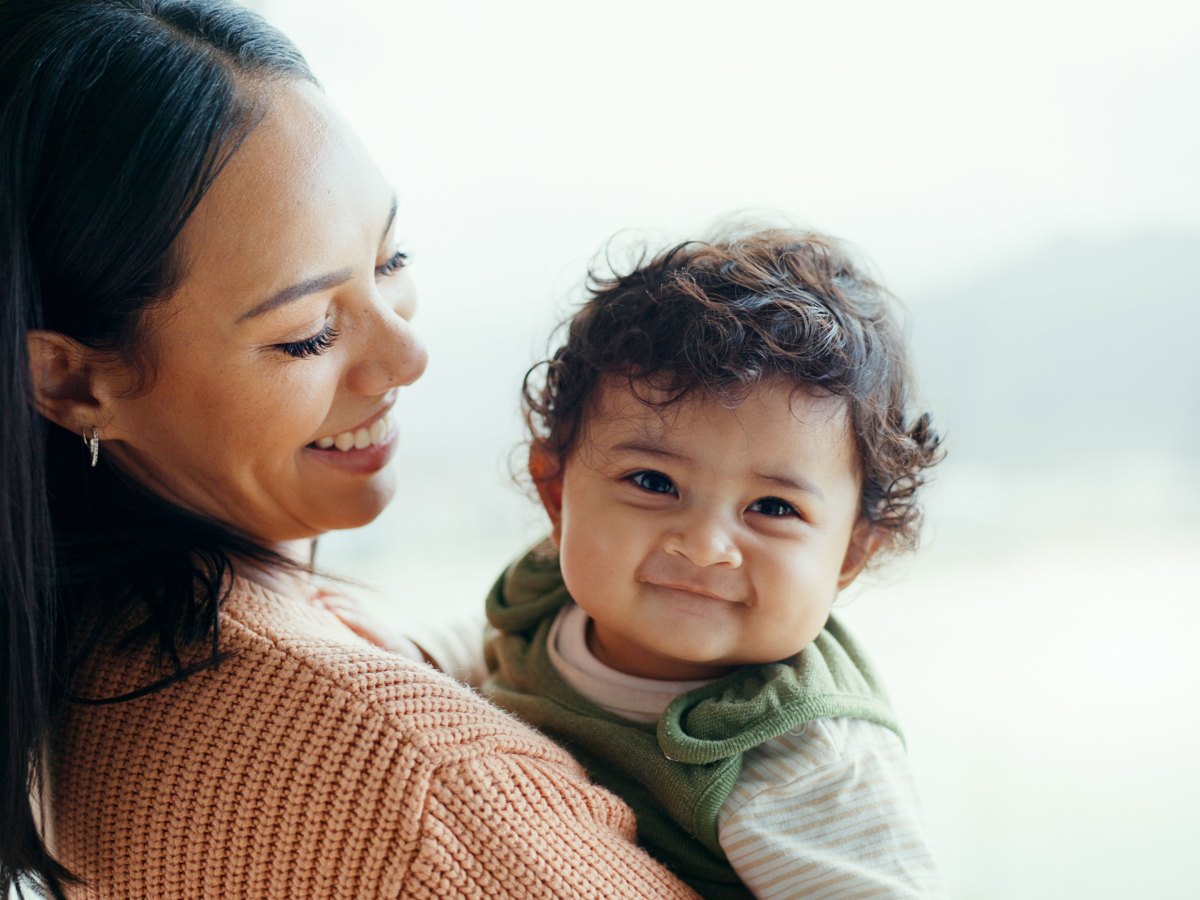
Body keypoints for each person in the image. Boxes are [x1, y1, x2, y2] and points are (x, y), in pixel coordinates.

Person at [0, 1, 700, 897]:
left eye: (390, 257)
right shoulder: (423, 787)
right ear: (72, 383)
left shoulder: (82, 678)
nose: (409, 355)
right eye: (305, 333)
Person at [484, 230, 947, 898]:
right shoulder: (545, 591)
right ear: (556, 495)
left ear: (848, 553)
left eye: (772, 507)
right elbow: (483, 660)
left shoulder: (802, 759)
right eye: (652, 482)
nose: (704, 546)